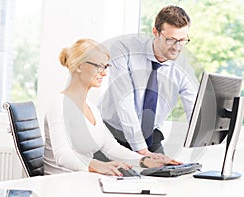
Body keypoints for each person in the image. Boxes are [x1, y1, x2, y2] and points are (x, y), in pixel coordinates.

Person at [43, 38, 176, 176]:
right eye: (98, 66)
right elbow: (62, 155)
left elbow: (111, 147)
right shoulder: (59, 105)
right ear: (79, 66)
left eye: (106, 66)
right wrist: (98, 165)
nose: (104, 72)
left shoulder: (92, 108)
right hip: (61, 186)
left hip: (83, 182)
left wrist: (145, 160)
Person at [99, 5, 199, 156]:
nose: (177, 47)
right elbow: (124, 102)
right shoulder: (124, 49)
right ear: (155, 32)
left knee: (167, 174)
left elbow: (194, 109)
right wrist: (143, 152)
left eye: (182, 40)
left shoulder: (183, 67)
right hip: (112, 133)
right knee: (120, 176)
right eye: (171, 40)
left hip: (150, 136)